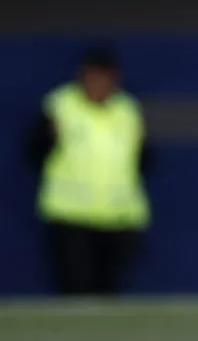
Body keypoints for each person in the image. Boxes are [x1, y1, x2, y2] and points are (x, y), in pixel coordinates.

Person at [25, 46, 152, 295]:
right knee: (76, 289)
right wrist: (48, 138)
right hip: (70, 216)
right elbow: (32, 154)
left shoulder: (127, 110)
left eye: (104, 77)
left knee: (110, 293)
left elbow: (144, 160)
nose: (98, 84)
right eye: (92, 76)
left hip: (119, 217)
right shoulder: (60, 106)